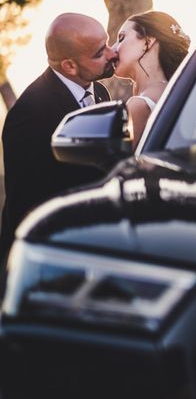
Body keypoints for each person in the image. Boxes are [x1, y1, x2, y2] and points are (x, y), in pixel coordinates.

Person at [1, 13, 115, 259]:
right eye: (99, 52)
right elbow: (27, 206)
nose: (112, 53)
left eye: (106, 43)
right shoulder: (29, 114)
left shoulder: (100, 91)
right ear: (69, 66)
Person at [113, 11, 190, 149]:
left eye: (121, 38)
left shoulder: (138, 106)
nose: (113, 50)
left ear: (147, 42)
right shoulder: (183, 91)